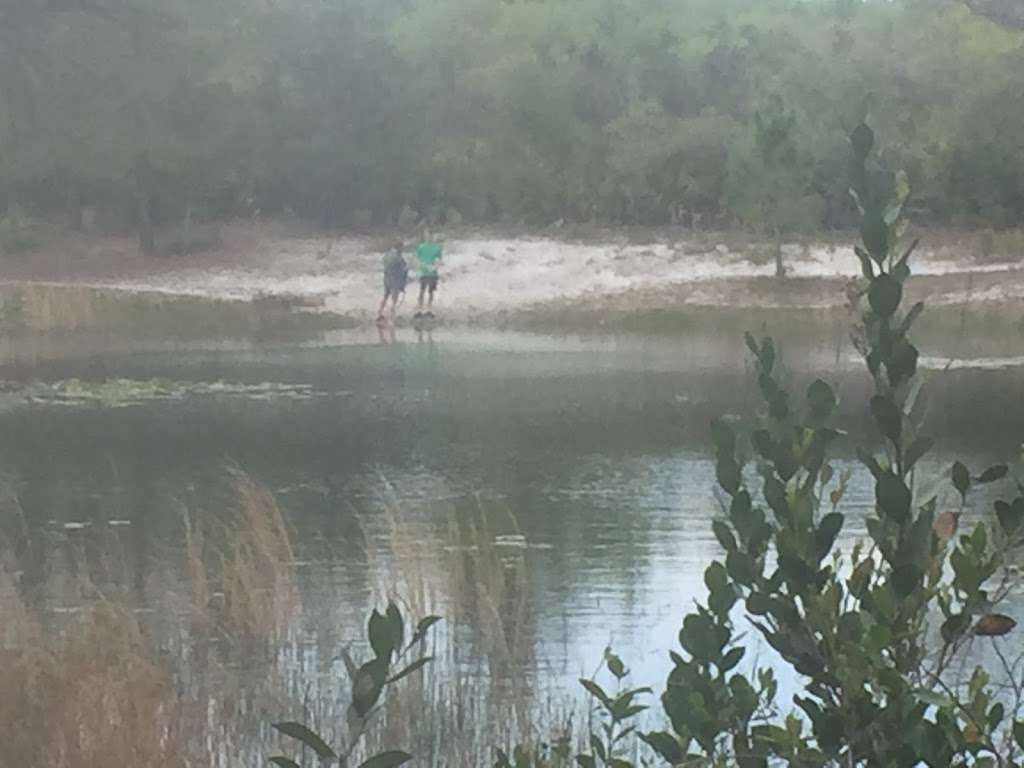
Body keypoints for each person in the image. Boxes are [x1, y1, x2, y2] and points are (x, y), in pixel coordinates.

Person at [377, 242, 408, 324]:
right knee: (394, 300)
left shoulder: (387, 255)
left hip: (387, 280)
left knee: (385, 297)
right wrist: (403, 285)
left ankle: (379, 314)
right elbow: (404, 269)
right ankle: (391, 318)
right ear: (399, 248)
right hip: (395, 282)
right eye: (402, 248)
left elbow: (383, 262)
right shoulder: (399, 257)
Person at [414, 233, 443, 317]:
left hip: (432, 273)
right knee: (421, 290)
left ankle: (429, 309)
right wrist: (420, 267)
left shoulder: (437, 248)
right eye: (427, 236)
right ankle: (420, 309)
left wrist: (435, 267)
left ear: (433, 237)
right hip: (423, 272)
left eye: (430, 236)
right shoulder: (421, 247)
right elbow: (417, 258)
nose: (429, 238)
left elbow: (439, 260)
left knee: (431, 291)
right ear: (425, 237)